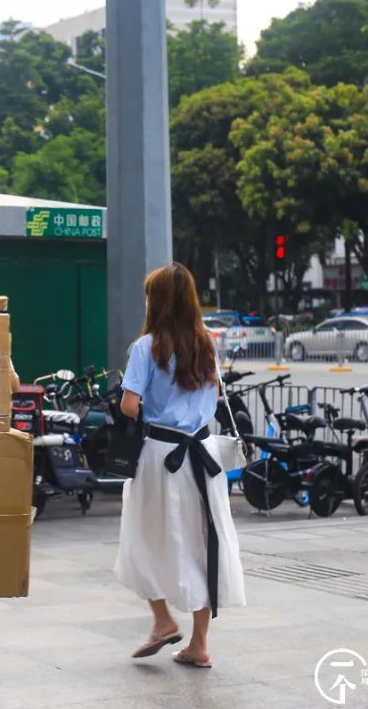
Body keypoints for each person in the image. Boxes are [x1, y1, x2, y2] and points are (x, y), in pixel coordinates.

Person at [117, 262, 246, 670]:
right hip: (204, 459)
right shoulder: (206, 342)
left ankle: (162, 621)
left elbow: (129, 405)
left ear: (157, 301)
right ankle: (199, 645)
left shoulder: (146, 348)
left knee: (141, 537)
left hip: (161, 455)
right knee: (203, 543)